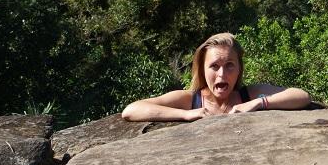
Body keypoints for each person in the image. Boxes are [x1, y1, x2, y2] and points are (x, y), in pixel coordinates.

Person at [122, 32, 312, 121]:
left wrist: (258, 103)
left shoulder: (250, 95)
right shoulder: (191, 100)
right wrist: (186, 114)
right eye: (214, 66)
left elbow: (301, 96)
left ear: (239, 69)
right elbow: (132, 110)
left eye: (230, 66)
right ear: (202, 70)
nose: (222, 74)